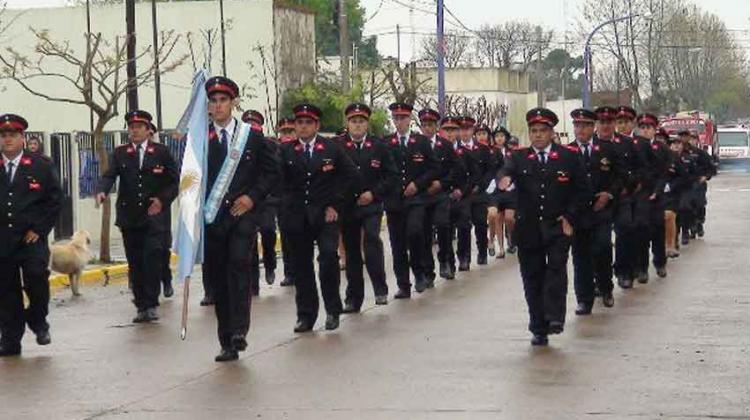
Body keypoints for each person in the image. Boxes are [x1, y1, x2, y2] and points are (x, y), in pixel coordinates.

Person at [201, 76, 281, 361]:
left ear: (233, 103)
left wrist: (252, 198)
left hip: (244, 216)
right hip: (213, 218)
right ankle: (226, 340)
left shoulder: (252, 137)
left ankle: (239, 331)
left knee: (238, 265)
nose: (218, 105)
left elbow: (271, 173)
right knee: (219, 278)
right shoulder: (200, 139)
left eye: (223, 100)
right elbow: (190, 178)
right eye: (213, 100)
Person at [498, 108, 589, 346]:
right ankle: (538, 326)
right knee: (532, 277)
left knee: (556, 271)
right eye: (534, 131)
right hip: (528, 228)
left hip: (557, 226)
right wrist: (504, 179)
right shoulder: (518, 158)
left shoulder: (568, 157)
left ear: (551, 133)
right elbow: (505, 172)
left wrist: (570, 217)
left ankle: (555, 317)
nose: (537, 135)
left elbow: (582, 191)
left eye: (542, 131)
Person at [279, 103, 357, 332]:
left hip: (325, 216)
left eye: (308, 123)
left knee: (327, 260)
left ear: (317, 125)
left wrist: (336, 204)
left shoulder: (331, 148)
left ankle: (333, 310)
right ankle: (306, 315)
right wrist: (284, 207)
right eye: (299, 123)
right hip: (297, 217)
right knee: (302, 267)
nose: (303, 127)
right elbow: (278, 182)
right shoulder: (286, 151)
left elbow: (350, 177)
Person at [97, 111, 179, 323]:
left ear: (148, 129)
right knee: (135, 263)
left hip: (153, 217)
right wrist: (102, 190)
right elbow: (110, 175)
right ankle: (141, 304)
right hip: (129, 217)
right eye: (131, 127)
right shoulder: (120, 153)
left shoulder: (161, 152)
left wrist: (162, 200)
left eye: (139, 126)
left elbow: (174, 181)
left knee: (151, 259)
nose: (134, 130)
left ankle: (151, 304)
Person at [0, 114, 62, 357]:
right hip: (3, 239)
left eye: (12, 135)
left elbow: (55, 200)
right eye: (3, 135)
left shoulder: (41, 165)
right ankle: (10, 339)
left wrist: (39, 229)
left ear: (22, 137)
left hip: (31, 238)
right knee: (6, 291)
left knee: (36, 278)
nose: (7, 140)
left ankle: (38, 321)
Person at [338, 103, 397, 312]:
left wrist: (373, 193)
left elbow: (391, 176)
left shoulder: (379, 146)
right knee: (352, 250)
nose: (357, 125)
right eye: (353, 121)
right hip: (349, 207)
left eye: (361, 121)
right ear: (347, 123)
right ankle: (353, 298)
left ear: (367, 124)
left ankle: (380, 290)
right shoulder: (338, 145)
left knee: (372, 240)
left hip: (372, 204)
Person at [566, 108, 621, 315]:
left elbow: (620, 176)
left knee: (602, 248)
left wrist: (609, 194)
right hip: (579, 213)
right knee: (580, 256)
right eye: (577, 125)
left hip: (601, 210)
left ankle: (606, 288)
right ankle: (584, 299)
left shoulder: (607, 149)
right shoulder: (567, 152)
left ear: (593, 127)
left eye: (585, 125)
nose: (580, 129)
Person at [383, 102, 439, 298]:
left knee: (415, 233)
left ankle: (419, 272)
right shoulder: (386, 142)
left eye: (403, 118)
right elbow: (381, 171)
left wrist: (418, 184)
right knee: (397, 243)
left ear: (409, 120)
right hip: (394, 201)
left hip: (416, 200)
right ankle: (403, 284)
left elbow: (433, 168)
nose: (400, 122)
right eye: (396, 118)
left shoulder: (421, 142)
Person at [418, 108, 464, 285]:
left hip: (441, 193)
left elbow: (456, 169)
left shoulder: (444, 145)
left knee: (443, 226)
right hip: (423, 195)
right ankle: (428, 272)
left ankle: (445, 261)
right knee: (424, 234)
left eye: (431, 125)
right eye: (424, 125)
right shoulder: (416, 144)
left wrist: (442, 183)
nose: (427, 128)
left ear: (436, 127)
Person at [241, 110, 279, 295]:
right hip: (247, 199)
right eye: (248, 123)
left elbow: (275, 171)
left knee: (268, 230)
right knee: (249, 241)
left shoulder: (269, 145)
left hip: (267, 198)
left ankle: (270, 263)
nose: (251, 126)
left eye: (254, 123)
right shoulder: (238, 146)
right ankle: (252, 284)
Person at [634, 113, 671, 280]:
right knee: (641, 231)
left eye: (648, 127)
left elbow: (665, 173)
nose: (645, 130)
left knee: (657, 230)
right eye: (642, 127)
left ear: (654, 129)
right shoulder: (634, 146)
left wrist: (657, 190)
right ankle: (641, 268)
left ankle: (660, 262)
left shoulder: (661, 148)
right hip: (640, 194)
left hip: (657, 194)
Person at [456, 116, 496, 270]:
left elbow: (490, 170)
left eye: (467, 129)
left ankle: (482, 252)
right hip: (463, 193)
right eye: (462, 129)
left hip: (479, 193)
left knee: (480, 223)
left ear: (472, 131)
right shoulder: (456, 149)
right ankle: (464, 257)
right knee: (463, 225)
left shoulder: (483, 149)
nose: (464, 132)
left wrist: (481, 186)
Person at [441, 115, 473, 279]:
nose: (450, 134)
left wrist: (462, 190)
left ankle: (464, 257)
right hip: (443, 195)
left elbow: (471, 176)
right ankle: (448, 262)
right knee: (445, 230)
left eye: (453, 130)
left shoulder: (465, 152)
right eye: (447, 130)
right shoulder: (437, 150)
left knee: (464, 226)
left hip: (463, 195)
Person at [276, 117, 297, 287]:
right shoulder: (276, 151)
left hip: (303, 201)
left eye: (291, 131)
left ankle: (301, 269)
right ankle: (289, 272)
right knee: (286, 237)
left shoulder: (302, 149)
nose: (287, 135)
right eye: (284, 132)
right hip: (283, 201)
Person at [487, 127, 515, 259]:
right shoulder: (490, 151)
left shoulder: (512, 152)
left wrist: (513, 182)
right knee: (497, 218)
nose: (499, 138)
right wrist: (491, 182)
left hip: (510, 189)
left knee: (510, 218)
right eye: (497, 136)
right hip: (496, 189)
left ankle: (511, 238)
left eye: (502, 136)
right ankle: (501, 248)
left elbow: (516, 168)